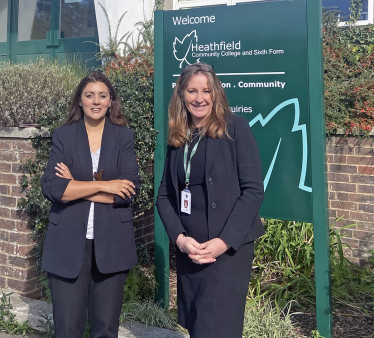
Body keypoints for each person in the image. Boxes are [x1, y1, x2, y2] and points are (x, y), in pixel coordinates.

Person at [156, 63, 264, 338]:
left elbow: (253, 191)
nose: (199, 98)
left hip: (226, 253)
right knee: (198, 327)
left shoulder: (235, 128)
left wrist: (223, 242)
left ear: (215, 94)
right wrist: (180, 239)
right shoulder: (178, 136)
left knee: (217, 329)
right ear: (181, 95)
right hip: (192, 252)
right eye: (192, 90)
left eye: (206, 90)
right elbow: (165, 196)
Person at [40, 71, 140, 338]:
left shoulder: (123, 137)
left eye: (102, 96)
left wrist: (77, 186)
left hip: (112, 246)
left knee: (106, 330)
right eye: (89, 95)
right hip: (68, 245)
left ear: (110, 102)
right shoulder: (64, 135)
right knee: (67, 330)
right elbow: (52, 187)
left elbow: (128, 192)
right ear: (80, 101)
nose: (96, 101)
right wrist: (104, 185)